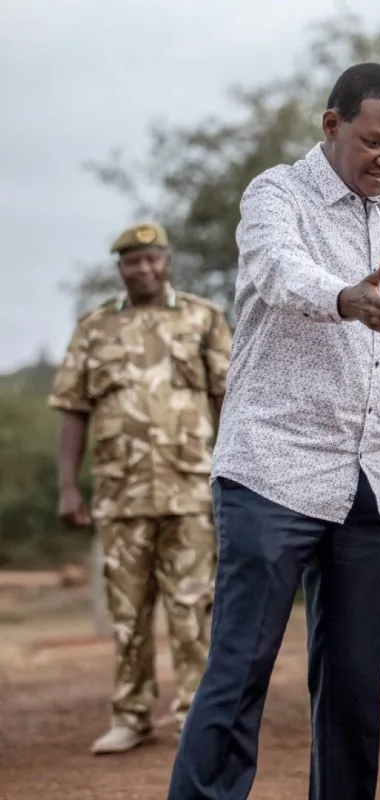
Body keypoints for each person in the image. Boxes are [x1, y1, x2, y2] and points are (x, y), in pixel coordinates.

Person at [166, 63, 380, 800]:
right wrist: (344, 297)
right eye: (376, 141)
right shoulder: (275, 194)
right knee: (239, 672)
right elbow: (279, 271)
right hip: (273, 474)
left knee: (354, 689)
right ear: (332, 125)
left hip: (367, 487)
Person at [48, 220, 231, 755]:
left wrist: (237, 475)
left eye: (153, 259)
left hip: (193, 489)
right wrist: (67, 487)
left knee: (193, 607)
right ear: (121, 268)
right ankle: (130, 715)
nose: (144, 268)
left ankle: (195, 717)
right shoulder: (94, 328)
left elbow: (229, 400)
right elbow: (72, 410)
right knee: (128, 614)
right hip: (121, 494)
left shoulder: (203, 318)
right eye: (133, 261)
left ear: (167, 262)